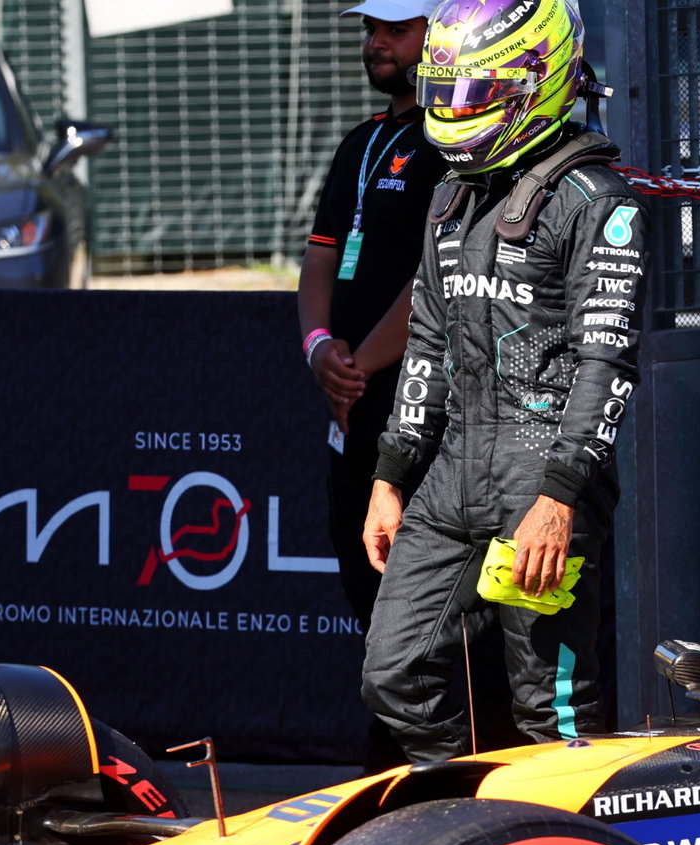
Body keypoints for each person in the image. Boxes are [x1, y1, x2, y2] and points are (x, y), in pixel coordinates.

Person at [359, 0, 649, 761]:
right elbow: (427, 339)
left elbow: (607, 363)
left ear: (539, 82)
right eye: (446, 93)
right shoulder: (450, 197)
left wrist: (559, 498)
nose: (455, 113)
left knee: (552, 716)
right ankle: (469, 818)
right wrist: (392, 475)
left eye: (475, 95)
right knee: (392, 673)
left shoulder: (598, 203)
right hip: (452, 477)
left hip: (544, 487)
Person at [297, 0, 445, 772]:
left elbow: (439, 280)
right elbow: (320, 258)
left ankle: (412, 767)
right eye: (370, 29)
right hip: (348, 411)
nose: (376, 42)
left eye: (396, 28)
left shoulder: (455, 143)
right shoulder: (359, 142)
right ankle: (392, 758)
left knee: (420, 606)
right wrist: (320, 346)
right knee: (361, 585)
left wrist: (361, 366)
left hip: (416, 414)